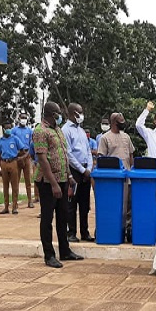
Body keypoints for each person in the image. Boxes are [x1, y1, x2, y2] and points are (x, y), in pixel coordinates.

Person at [33, 101, 83, 268]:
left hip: (62, 179)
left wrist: (69, 175)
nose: (60, 115)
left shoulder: (58, 130)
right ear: (51, 114)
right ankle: (49, 255)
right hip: (47, 182)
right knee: (47, 218)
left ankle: (65, 250)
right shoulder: (41, 131)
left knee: (63, 216)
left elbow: (63, 155)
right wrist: (54, 184)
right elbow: (42, 159)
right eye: (57, 113)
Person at [98, 112, 135, 241]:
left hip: (127, 178)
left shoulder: (126, 137)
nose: (123, 123)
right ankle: (113, 229)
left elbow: (131, 156)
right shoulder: (105, 138)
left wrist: (132, 171)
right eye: (121, 121)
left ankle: (128, 230)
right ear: (114, 122)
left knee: (129, 206)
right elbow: (101, 158)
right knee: (115, 206)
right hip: (113, 180)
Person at [62, 103, 94, 243]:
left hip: (86, 170)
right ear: (72, 113)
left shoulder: (81, 131)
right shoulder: (65, 130)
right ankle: (71, 232)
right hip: (74, 171)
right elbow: (68, 153)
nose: (81, 115)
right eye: (79, 112)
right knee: (72, 203)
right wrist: (82, 170)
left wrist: (89, 167)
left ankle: (84, 231)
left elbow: (88, 150)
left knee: (84, 203)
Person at [0, 120, 27, 215]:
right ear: (3, 129)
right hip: (4, 163)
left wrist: (19, 157)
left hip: (13, 162)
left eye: (10, 128)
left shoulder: (15, 139)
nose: (9, 130)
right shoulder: (0, 141)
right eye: (7, 128)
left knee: (15, 186)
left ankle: (14, 206)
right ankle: (6, 207)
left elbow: (23, 150)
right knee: (5, 186)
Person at [12, 111, 35, 208]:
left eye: (25, 118)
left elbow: (31, 143)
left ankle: (30, 200)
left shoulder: (29, 131)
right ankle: (15, 202)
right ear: (19, 119)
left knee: (28, 180)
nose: (23, 120)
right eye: (22, 118)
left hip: (26, 154)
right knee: (16, 180)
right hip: (17, 155)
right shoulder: (14, 130)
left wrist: (27, 155)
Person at [136, 101, 156, 166]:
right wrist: (147, 110)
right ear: (155, 121)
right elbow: (138, 125)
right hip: (153, 170)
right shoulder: (149, 134)